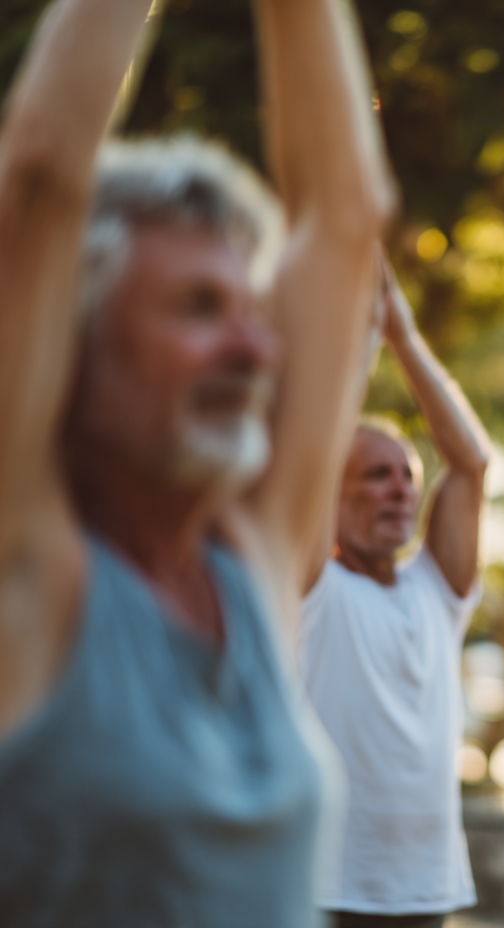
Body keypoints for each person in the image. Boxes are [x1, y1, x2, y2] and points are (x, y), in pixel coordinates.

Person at [0, 0, 394, 923]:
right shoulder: (31, 572)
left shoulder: (252, 564)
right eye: (195, 308)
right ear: (77, 345)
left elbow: (344, 218)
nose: (253, 349)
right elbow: (41, 178)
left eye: (249, 310)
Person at [300, 255, 491, 928]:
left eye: (407, 476)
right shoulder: (308, 589)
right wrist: (359, 345)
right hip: (324, 891)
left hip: (426, 892)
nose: (400, 489)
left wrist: (403, 338)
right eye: (376, 476)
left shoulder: (435, 593)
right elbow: (307, 457)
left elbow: (470, 462)